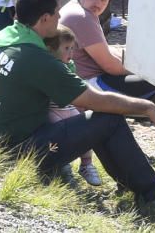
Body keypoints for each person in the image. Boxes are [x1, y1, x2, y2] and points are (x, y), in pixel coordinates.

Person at [0, 0, 155, 226]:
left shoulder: (1, 37)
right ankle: (154, 199)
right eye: (57, 13)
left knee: (99, 120)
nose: (60, 17)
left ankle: (130, 184)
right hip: (18, 152)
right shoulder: (35, 58)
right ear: (45, 18)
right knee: (108, 118)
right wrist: (146, 107)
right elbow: (94, 100)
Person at [60, 0, 155, 101]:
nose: (98, 3)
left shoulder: (75, 6)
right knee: (151, 84)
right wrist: (141, 70)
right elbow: (110, 67)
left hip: (76, 79)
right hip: (86, 85)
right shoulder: (82, 17)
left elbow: (103, 50)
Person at [43, 25, 101, 186]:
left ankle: (86, 164)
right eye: (66, 48)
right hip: (52, 107)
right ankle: (62, 164)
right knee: (57, 132)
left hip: (68, 106)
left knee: (85, 130)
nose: (71, 53)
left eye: (72, 48)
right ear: (51, 48)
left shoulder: (70, 66)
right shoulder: (47, 65)